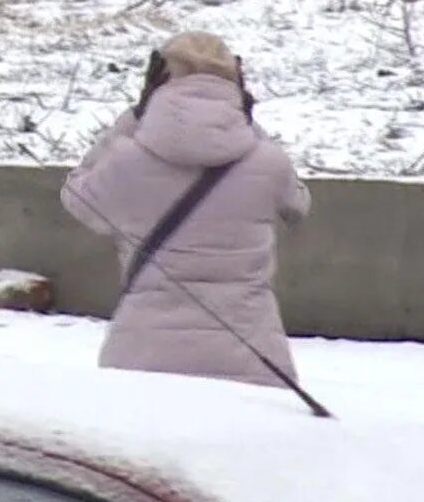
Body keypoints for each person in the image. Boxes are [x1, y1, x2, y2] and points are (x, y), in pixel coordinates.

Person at [60, 31, 310, 390]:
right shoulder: (268, 162)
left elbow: (76, 198)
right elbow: (298, 206)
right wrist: (248, 123)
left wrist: (133, 117)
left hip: (143, 352)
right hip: (251, 351)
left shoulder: (127, 159)